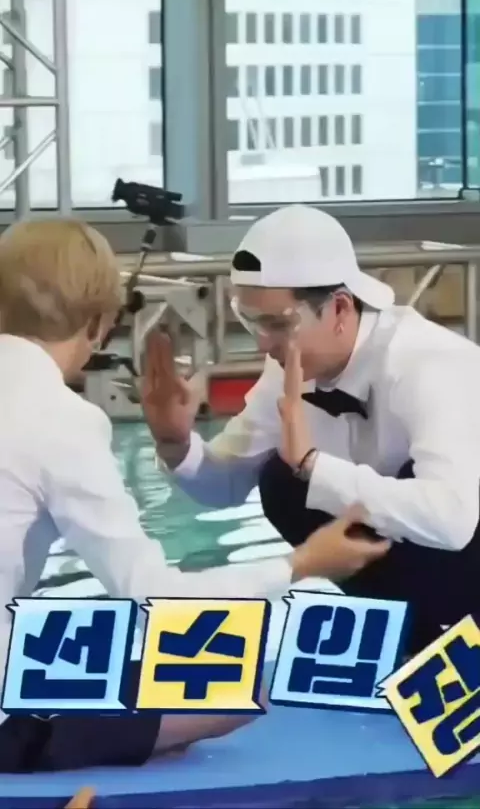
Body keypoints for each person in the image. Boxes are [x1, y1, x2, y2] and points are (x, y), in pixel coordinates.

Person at [0, 217, 389, 773]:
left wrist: (176, 442)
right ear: (100, 324)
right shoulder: (61, 420)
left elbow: (219, 483)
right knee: (233, 686)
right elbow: (155, 598)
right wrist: (302, 564)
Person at [143, 204, 480, 658]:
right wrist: (175, 442)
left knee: (308, 477)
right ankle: (406, 637)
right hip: (416, 565)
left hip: (468, 544)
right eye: (250, 322)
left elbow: (453, 520)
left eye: (277, 324)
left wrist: (313, 464)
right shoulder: (288, 366)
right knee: (281, 484)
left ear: (339, 307)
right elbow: (227, 484)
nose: (263, 343)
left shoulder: (429, 364)